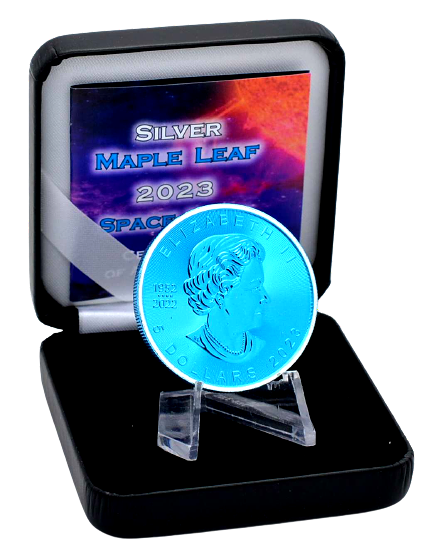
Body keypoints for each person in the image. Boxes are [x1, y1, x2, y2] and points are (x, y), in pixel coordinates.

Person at [183, 234, 269, 362]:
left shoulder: (260, 346)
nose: (266, 297)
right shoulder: (191, 346)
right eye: (255, 287)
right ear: (219, 294)